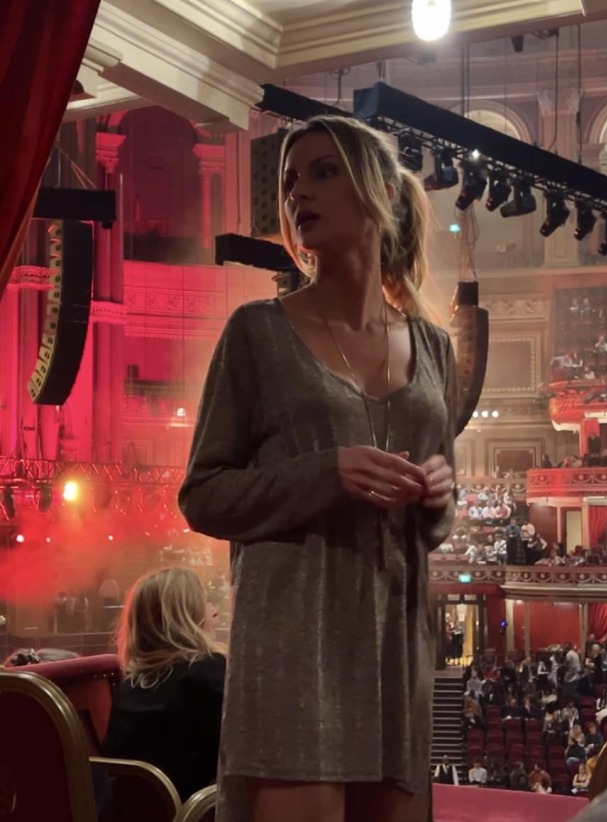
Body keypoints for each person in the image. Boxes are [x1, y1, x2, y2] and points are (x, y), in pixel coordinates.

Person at [179, 114, 457, 822]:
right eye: (291, 179)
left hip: (395, 649)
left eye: (324, 172)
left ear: (381, 194)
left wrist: (438, 498)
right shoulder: (256, 332)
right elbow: (203, 495)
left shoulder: (435, 348)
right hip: (292, 649)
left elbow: (435, 525)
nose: (298, 191)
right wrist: (326, 473)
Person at [101, 568, 226, 801]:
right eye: (205, 602)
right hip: (198, 812)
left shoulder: (128, 686)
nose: (214, 612)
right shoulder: (208, 671)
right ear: (185, 617)